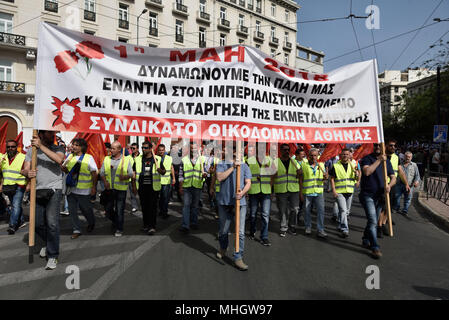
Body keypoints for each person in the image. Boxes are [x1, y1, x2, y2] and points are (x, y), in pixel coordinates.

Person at [23, 130, 65, 270]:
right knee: (37, 223)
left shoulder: (58, 147)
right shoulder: (31, 151)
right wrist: (27, 172)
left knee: (52, 223)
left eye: (52, 132)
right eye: (48, 132)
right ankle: (48, 242)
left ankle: (53, 255)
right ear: (41, 134)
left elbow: (59, 160)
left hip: (54, 189)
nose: (52, 134)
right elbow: (24, 169)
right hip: (37, 190)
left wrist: (40, 146)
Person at [216, 141, 251, 271]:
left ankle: (238, 257)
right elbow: (220, 178)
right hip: (225, 202)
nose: (237, 152)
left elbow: (248, 183)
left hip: (239, 203)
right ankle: (223, 248)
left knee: (240, 232)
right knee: (224, 231)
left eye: (239, 149)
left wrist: (243, 192)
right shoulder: (221, 164)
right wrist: (233, 167)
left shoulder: (245, 166)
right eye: (234, 149)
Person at [359, 143, 396, 259]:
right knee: (373, 220)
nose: (378, 148)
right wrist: (379, 160)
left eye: (380, 146)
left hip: (380, 196)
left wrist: (390, 185)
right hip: (367, 195)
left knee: (372, 220)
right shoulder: (367, 159)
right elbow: (367, 172)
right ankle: (375, 247)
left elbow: (393, 177)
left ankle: (365, 238)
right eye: (376, 146)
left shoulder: (387, 162)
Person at [61, 138, 98, 239]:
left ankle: (91, 222)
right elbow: (66, 170)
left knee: (86, 209)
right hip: (71, 189)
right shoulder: (69, 157)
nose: (73, 147)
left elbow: (94, 173)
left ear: (82, 147)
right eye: (73, 145)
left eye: (76, 145)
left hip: (84, 190)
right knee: (72, 211)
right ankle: (76, 229)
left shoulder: (89, 158)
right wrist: (63, 167)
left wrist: (94, 187)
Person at [100, 141, 133, 237]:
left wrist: (125, 177)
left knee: (119, 210)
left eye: (113, 148)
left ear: (119, 149)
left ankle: (119, 228)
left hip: (121, 190)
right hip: (109, 189)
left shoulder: (126, 160)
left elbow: (131, 174)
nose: (111, 150)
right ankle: (115, 221)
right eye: (111, 148)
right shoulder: (106, 159)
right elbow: (102, 172)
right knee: (108, 209)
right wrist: (105, 181)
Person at [132, 141, 165, 235]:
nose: (143, 149)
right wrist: (134, 186)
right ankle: (146, 225)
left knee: (152, 207)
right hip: (142, 187)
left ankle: (152, 226)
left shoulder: (157, 159)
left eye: (145, 148)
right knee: (144, 207)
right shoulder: (138, 159)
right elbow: (134, 173)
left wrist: (160, 170)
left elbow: (164, 172)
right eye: (142, 148)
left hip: (153, 188)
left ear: (151, 148)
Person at [246, 143, 273, 246]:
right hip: (253, 191)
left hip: (266, 191)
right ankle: (252, 231)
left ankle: (264, 237)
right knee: (253, 214)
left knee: (265, 215)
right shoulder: (249, 161)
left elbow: (274, 175)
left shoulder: (269, 160)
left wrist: (271, 189)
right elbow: (245, 175)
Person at [179, 140, 207, 233]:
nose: (193, 150)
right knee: (186, 206)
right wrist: (180, 187)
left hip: (197, 185)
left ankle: (194, 222)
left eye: (195, 148)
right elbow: (180, 174)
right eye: (191, 148)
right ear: (189, 149)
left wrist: (205, 174)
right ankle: (185, 225)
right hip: (187, 186)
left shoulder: (202, 159)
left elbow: (206, 171)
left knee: (195, 206)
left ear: (198, 149)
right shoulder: (184, 160)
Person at [299, 148, 328, 238]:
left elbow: (324, 180)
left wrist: (325, 177)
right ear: (308, 156)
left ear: (317, 155)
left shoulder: (321, 165)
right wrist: (300, 192)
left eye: (315, 155)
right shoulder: (304, 165)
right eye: (311, 155)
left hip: (318, 192)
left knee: (321, 211)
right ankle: (308, 227)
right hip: (307, 192)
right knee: (307, 211)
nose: (313, 157)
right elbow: (300, 179)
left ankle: (320, 229)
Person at [329, 148, 358, 238]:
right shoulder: (336, 165)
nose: (345, 156)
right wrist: (333, 190)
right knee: (343, 210)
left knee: (347, 211)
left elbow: (356, 178)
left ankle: (340, 225)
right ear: (340, 156)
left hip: (349, 191)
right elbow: (332, 178)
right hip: (339, 191)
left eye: (347, 154)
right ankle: (345, 229)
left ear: (350, 155)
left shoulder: (353, 165)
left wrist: (357, 175)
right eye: (343, 154)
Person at [273, 143, 301, 237]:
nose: (286, 151)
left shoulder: (295, 162)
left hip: (294, 189)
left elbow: (299, 176)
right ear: (280, 151)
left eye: (288, 149)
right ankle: (283, 227)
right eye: (284, 150)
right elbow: (271, 176)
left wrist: (299, 173)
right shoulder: (275, 162)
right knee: (282, 210)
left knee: (295, 209)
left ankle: (292, 225)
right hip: (281, 190)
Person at [1, 140, 27, 234]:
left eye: (12, 147)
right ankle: (21, 221)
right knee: (15, 205)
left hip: (19, 185)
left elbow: (28, 171)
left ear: (17, 147)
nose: (10, 148)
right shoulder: (3, 158)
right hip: (8, 186)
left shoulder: (23, 157)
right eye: (8, 147)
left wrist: (28, 185)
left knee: (15, 205)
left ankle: (12, 225)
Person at [393, 151, 420, 215]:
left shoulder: (414, 165)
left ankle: (405, 210)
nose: (408, 158)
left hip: (410, 185)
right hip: (399, 184)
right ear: (404, 157)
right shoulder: (399, 164)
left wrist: (416, 181)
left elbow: (417, 176)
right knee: (397, 197)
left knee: (408, 198)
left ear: (411, 157)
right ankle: (396, 208)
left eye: (409, 157)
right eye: (406, 157)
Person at [157, 144, 174, 220]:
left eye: (162, 150)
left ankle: (164, 212)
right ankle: (161, 210)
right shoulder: (155, 158)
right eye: (160, 150)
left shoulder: (169, 158)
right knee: (159, 198)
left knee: (165, 198)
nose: (161, 151)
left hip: (167, 181)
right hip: (157, 181)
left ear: (165, 150)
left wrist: (173, 178)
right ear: (158, 150)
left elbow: (171, 168)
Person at [128, 142, 140, 213]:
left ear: (137, 149)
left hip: (140, 178)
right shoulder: (128, 157)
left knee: (141, 193)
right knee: (132, 193)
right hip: (131, 179)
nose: (132, 149)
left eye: (134, 148)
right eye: (131, 148)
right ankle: (134, 206)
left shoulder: (141, 157)